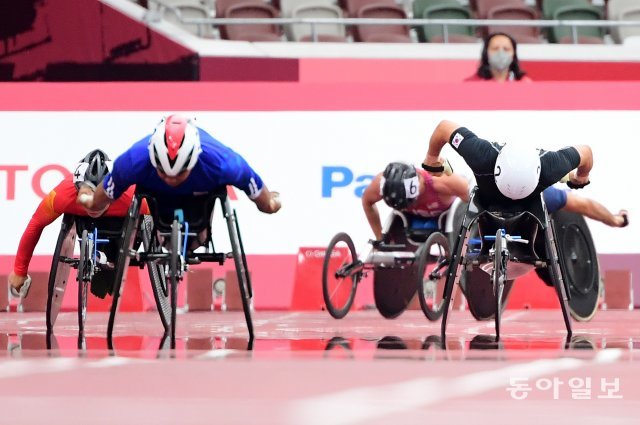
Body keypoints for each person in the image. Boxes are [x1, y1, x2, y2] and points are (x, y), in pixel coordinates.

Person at [78, 114, 281, 228]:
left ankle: (198, 236)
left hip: (200, 198)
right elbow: (101, 200)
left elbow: (260, 196)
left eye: (179, 173)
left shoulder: (223, 162)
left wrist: (270, 204)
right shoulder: (132, 161)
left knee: (198, 234)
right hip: (157, 199)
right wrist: (90, 201)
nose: (171, 179)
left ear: (193, 160)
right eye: (163, 172)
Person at [9, 149, 149, 299]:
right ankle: (98, 258)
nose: (93, 205)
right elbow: (35, 225)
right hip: (87, 225)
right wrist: (19, 271)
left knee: (111, 283)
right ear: (77, 189)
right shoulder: (61, 196)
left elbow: (164, 214)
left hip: (122, 224)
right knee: (103, 285)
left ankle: (111, 263)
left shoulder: (130, 196)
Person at [422, 120, 592, 212]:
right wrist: (581, 178)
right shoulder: (481, 155)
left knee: (572, 201)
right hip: (487, 199)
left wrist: (432, 160)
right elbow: (444, 128)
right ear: (497, 169)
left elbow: (586, 152)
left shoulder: (551, 166)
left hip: (529, 204)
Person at [362, 161, 470, 240]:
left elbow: (474, 201)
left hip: (449, 216)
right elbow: (367, 202)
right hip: (411, 221)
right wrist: (380, 237)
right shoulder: (380, 184)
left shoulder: (442, 182)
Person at [543, 186, 628, 228]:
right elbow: (588, 206)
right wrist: (615, 220)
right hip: (547, 197)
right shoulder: (551, 196)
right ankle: (617, 220)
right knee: (582, 204)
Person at [465, 32, 532, 82]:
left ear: (513, 55)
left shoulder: (524, 83)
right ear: (486, 53)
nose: (501, 53)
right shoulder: (472, 83)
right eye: (495, 48)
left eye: (506, 49)